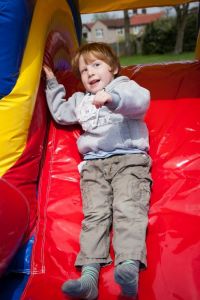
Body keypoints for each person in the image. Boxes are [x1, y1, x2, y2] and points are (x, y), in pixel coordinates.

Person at [43, 42, 152, 299]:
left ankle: (128, 269)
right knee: (95, 216)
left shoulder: (123, 86)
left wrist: (113, 99)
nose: (90, 73)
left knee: (128, 209)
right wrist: (50, 82)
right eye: (83, 70)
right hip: (94, 166)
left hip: (129, 160)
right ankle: (89, 277)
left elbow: (141, 102)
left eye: (96, 65)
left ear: (113, 68)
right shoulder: (81, 100)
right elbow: (60, 113)